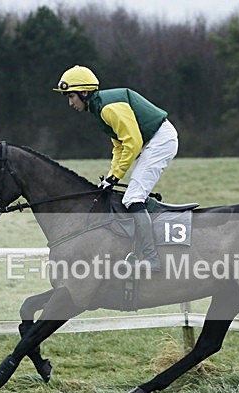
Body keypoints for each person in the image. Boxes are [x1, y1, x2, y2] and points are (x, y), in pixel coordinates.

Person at [53, 65, 178, 272]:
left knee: (133, 198)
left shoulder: (107, 108)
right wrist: (110, 177)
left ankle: (152, 258)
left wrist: (116, 177)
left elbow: (133, 143)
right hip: (152, 141)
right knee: (132, 196)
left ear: (84, 93)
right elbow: (119, 147)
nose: (70, 103)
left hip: (160, 141)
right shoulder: (99, 108)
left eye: (72, 96)